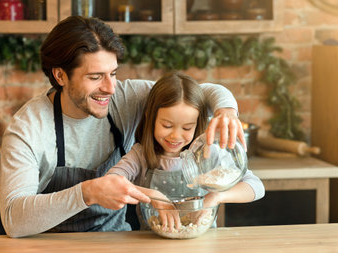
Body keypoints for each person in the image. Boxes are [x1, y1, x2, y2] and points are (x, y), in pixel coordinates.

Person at [0, 16, 246, 238]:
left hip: (117, 240)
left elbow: (198, 92)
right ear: (60, 76)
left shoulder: (126, 97)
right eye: (95, 77)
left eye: (113, 73)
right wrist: (89, 192)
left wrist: (226, 111)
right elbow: (13, 219)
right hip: (52, 244)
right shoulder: (28, 128)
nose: (110, 88)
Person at [106, 71, 265, 230]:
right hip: (152, 244)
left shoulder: (208, 153)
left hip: (203, 244)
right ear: (150, 117)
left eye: (187, 128)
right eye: (167, 126)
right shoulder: (140, 155)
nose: (176, 136)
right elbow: (109, 183)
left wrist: (216, 197)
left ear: (198, 123)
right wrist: (153, 196)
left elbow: (256, 186)